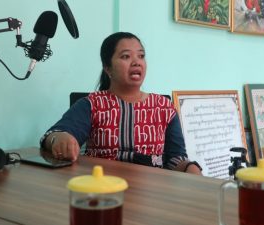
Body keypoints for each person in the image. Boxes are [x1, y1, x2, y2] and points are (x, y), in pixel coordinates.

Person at [40, 32, 202, 175]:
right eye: (126, 56)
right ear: (108, 68)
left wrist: (189, 167)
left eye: (141, 56)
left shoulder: (165, 108)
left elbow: (175, 158)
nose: (137, 62)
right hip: (102, 189)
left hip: (151, 193)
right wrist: (59, 138)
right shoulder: (92, 104)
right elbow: (53, 135)